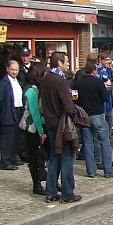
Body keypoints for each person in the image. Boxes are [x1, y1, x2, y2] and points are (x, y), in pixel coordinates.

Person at [39, 52, 80, 203]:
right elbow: (68, 106)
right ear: (59, 63)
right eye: (67, 61)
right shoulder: (60, 81)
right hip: (62, 126)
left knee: (54, 158)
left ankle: (50, 192)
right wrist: (76, 114)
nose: (68, 64)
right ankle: (68, 193)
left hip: (50, 123)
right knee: (67, 158)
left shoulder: (45, 80)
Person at [74, 61, 113, 178]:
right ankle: (108, 170)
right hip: (97, 115)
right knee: (104, 142)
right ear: (94, 71)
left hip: (84, 116)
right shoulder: (98, 82)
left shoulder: (77, 83)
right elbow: (105, 98)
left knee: (88, 143)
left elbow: (74, 99)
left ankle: (91, 171)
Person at [21, 62, 49, 194]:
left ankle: (45, 178)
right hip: (31, 128)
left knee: (41, 155)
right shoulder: (31, 91)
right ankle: (36, 184)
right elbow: (34, 113)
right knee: (34, 156)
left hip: (37, 125)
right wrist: (41, 132)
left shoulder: (37, 88)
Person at [0, 59, 25, 171]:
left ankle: (13, 158)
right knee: (8, 138)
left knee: (16, 137)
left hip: (18, 111)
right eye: (12, 69)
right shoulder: (4, 83)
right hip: (8, 112)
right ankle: (5, 161)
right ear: (7, 69)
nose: (14, 72)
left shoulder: (18, 81)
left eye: (16, 70)